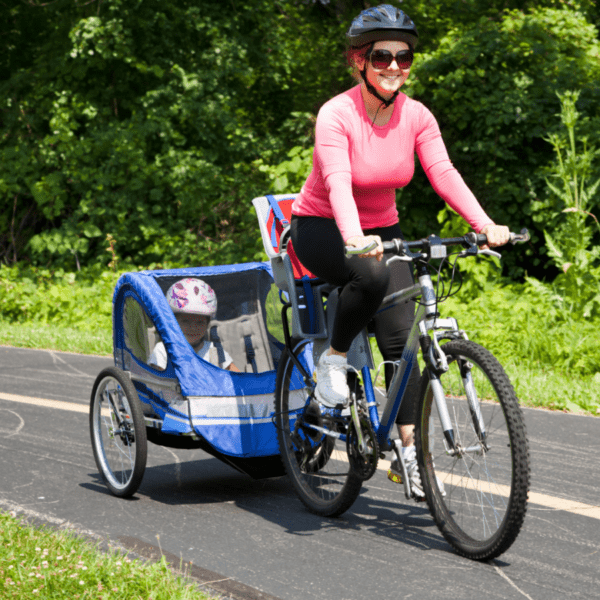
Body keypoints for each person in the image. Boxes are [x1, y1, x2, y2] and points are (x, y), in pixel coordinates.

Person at [289, 4, 510, 498]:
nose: (394, 65)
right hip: (323, 225)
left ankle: (408, 452)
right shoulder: (336, 114)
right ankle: (334, 361)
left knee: (401, 340)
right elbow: (339, 184)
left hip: (383, 228)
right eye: (382, 55)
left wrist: (486, 224)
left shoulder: (417, 115)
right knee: (368, 276)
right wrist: (352, 235)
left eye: (403, 56)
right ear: (359, 60)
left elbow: (443, 173)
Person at [148, 278, 240, 372]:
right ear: (173, 322)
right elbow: (156, 381)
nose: (193, 328)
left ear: (207, 324)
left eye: (200, 322)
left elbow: (238, 378)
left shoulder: (213, 350)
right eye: (185, 321)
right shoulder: (164, 350)